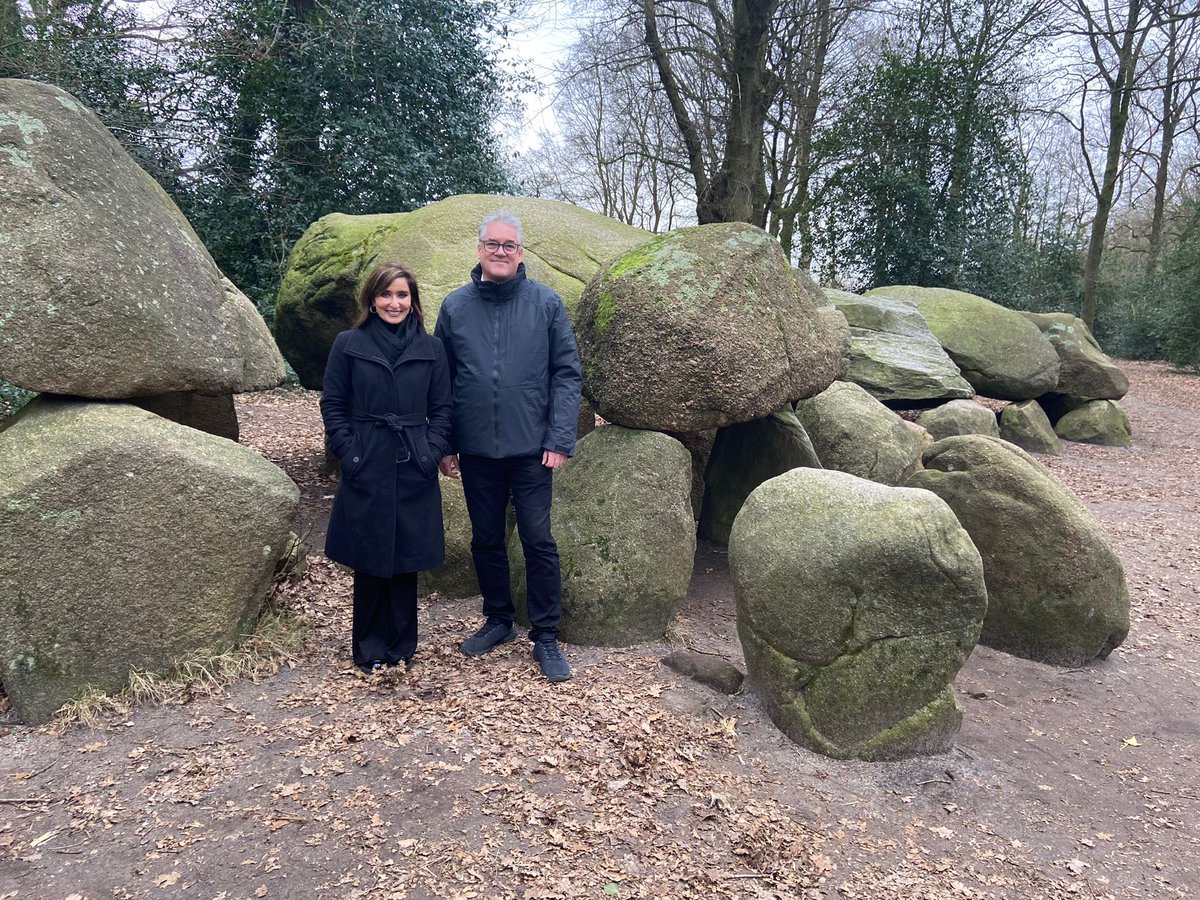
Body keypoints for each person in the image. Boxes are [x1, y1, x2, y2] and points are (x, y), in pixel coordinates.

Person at [434, 210, 582, 682]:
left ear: (521, 254)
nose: (501, 252)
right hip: (476, 448)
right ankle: (498, 619)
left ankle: (546, 635)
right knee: (485, 539)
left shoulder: (545, 304)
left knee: (538, 540)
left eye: (510, 246)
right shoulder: (455, 307)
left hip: (532, 448)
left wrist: (560, 438)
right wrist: (446, 443)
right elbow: (443, 382)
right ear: (479, 250)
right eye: (493, 244)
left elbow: (566, 373)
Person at [321, 262, 452, 675]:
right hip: (368, 457)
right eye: (386, 295)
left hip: (413, 457)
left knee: (405, 556)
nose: (394, 303)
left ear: (412, 302)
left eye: (402, 295)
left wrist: (430, 450)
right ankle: (368, 646)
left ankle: (401, 645)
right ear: (372, 300)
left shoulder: (432, 348)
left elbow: (444, 409)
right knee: (369, 554)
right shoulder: (348, 344)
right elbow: (333, 404)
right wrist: (350, 452)